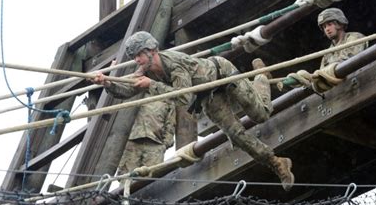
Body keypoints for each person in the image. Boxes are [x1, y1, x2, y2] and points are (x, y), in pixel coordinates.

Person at [93, 31, 294, 191]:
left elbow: (183, 97)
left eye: (138, 55)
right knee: (235, 134)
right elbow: (128, 90)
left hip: (222, 74)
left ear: (150, 51)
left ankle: (261, 77)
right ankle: (276, 163)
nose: (136, 60)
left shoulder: (174, 64)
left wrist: (151, 85)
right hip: (208, 96)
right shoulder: (145, 70)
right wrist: (107, 83)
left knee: (261, 114)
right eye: (134, 56)